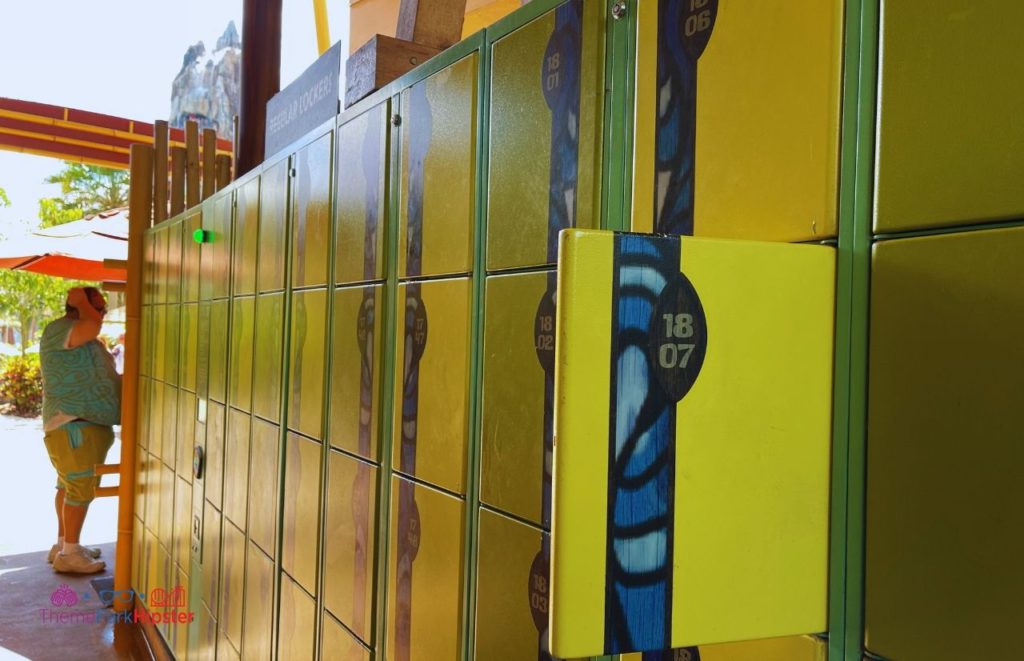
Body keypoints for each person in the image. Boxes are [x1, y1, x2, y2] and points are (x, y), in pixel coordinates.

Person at [39, 286, 121, 574]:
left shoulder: (80, 334)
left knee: (68, 486)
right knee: (78, 488)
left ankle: (63, 544)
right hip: (75, 425)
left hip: (78, 425)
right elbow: (92, 324)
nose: (101, 314)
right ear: (79, 306)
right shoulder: (61, 330)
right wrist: (82, 302)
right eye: (98, 307)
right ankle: (70, 554)